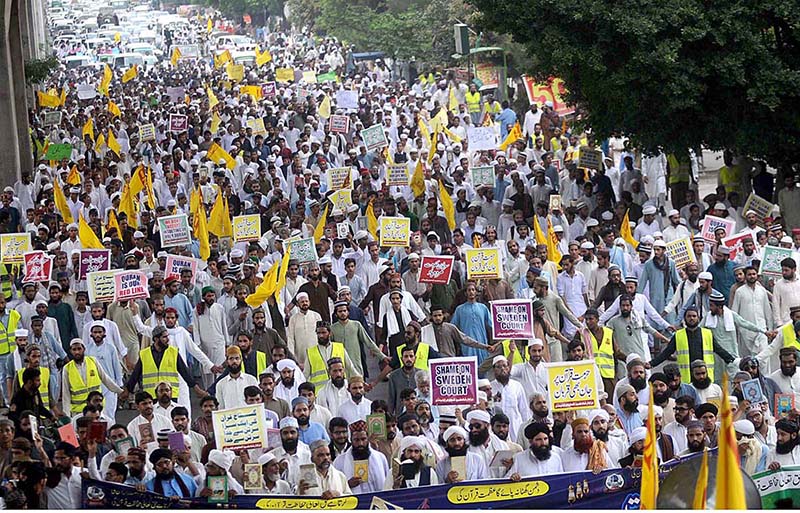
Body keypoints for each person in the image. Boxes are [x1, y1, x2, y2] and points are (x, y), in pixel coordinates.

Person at [332, 420, 389, 493]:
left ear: (368, 438)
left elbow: (387, 485)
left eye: (363, 439)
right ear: (351, 440)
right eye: (356, 440)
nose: (360, 443)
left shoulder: (380, 458)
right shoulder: (339, 461)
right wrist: (347, 484)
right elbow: (334, 487)